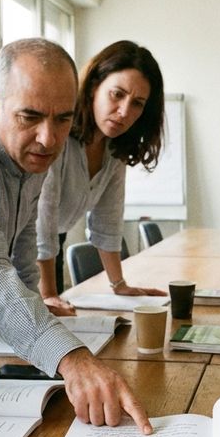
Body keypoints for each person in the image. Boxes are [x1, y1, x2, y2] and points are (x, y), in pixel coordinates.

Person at [0, 38, 152, 434]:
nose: (49, 139)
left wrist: (36, 306)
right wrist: (72, 358)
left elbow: (20, 246)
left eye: (63, 119)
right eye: (30, 116)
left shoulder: (30, 152)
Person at [36, 40, 167, 309]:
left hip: (51, 246)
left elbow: (108, 220)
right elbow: (42, 218)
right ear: (94, 86)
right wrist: (48, 293)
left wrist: (119, 285)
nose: (124, 112)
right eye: (117, 94)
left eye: (137, 104)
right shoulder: (59, 134)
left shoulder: (114, 148)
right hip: (22, 247)